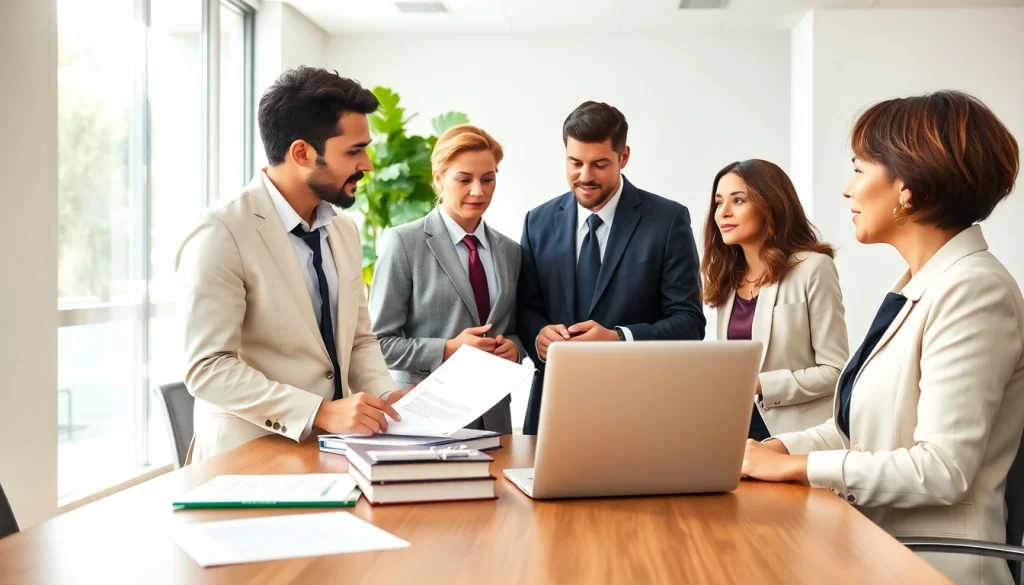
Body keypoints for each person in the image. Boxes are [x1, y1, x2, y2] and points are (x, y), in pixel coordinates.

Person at [741, 91, 1024, 585]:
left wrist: (797, 469)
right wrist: (776, 450)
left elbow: (941, 468)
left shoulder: (974, 290)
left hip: (933, 565)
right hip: (876, 547)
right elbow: (860, 433)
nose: (847, 190)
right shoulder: (921, 284)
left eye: (858, 170)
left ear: (906, 187)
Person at [176, 67, 407, 461]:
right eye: (354, 151)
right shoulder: (221, 231)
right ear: (302, 153)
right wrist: (318, 412)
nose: (367, 164)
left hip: (334, 453)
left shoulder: (344, 231)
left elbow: (359, 340)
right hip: (246, 458)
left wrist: (387, 395)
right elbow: (208, 367)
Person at [517, 101, 706, 434]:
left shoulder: (667, 220)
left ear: (624, 157)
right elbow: (526, 309)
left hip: (638, 409)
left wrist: (619, 338)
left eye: (599, 164)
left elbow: (689, 322)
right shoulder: (538, 222)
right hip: (552, 408)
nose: (585, 176)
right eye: (575, 162)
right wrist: (538, 336)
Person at [369, 124, 522, 434]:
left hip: (494, 417)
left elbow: (515, 328)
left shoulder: (511, 251)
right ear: (439, 178)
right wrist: (447, 348)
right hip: (424, 415)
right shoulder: (403, 243)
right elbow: (378, 343)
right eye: (464, 179)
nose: (478, 191)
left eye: (488, 179)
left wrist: (516, 348)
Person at [702, 159, 848, 439]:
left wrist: (760, 384)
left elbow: (835, 371)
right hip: (735, 431)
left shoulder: (813, 267)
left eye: (739, 200)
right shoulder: (727, 278)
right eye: (719, 203)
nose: (723, 213)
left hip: (798, 435)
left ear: (770, 205)